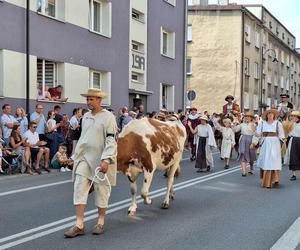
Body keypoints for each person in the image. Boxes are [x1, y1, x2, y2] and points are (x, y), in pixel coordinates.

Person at [64, 88, 117, 238]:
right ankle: (79, 224)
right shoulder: (85, 117)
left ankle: (100, 222)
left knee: (101, 191)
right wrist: (73, 156)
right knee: (79, 188)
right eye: (87, 99)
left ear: (99, 100)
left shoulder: (109, 117)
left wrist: (106, 160)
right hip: (83, 159)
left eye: (91, 99)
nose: (88, 102)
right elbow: (81, 138)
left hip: (100, 160)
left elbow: (111, 139)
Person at [254, 109, 285, 188]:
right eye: (269, 114)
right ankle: (267, 180)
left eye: (272, 114)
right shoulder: (262, 123)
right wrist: (254, 129)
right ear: (266, 115)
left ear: (274, 115)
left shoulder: (278, 123)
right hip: (265, 143)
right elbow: (258, 134)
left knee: (273, 160)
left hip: (275, 143)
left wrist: (283, 140)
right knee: (266, 160)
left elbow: (281, 134)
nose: (270, 115)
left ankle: (275, 179)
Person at [233, 111, 257, 176]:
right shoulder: (242, 124)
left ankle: (251, 168)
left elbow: (256, 134)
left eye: (248, 117)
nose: (247, 118)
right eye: (246, 116)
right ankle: (244, 172)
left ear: (251, 118)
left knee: (251, 155)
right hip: (243, 140)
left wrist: (254, 143)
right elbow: (235, 130)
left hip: (251, 140)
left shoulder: (254, 125)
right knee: (242, 153)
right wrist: (235, 123)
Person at [284, 111, 300, 181]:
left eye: (294, 116)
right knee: (293, 157)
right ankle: (293, 174)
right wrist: (286, 138)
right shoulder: (291, 124)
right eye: (292, 116)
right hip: (293, 141)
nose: (293, 117)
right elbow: (288, 133)